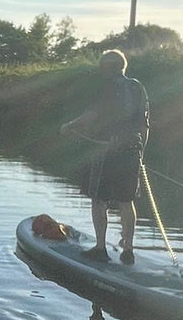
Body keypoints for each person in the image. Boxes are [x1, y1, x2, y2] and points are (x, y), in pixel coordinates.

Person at [60, 48, 149, 264]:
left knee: (99, 199)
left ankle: (100, 248)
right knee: (126, 201)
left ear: (106, 68)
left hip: (106, 150)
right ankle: (128, 249)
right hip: (132, 150)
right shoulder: (138, 87)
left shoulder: (106, 86)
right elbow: (145, 124)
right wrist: (141, 153)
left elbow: (93, 115)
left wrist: (69, 126)